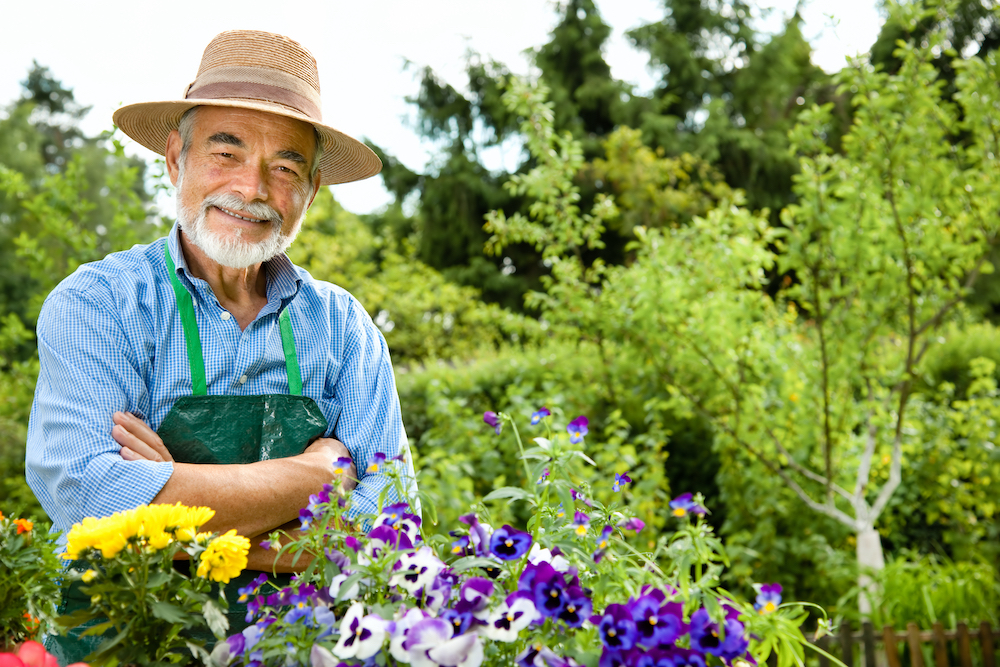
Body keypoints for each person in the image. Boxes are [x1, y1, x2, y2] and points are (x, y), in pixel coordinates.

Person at [24, 29, 415, 660]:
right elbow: (91, 500)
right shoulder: (100, 304)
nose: (253, 188)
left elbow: (389, 530)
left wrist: (166, 496)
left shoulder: (344, 330)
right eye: (225, 153)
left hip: (296, 650)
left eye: (285, 166)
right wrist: (316, 477)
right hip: (129, 647)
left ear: (311, 190)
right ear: (176, 158)